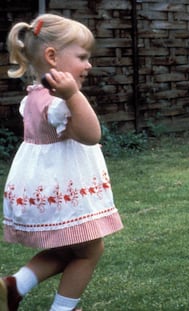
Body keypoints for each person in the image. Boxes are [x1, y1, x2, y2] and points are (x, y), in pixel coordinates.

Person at [0, 13, 123, 311]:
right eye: (82, 56)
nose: (88, 64)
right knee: (89, 251)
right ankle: (63, 309)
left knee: (66, 249)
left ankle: (13, 287)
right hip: (64, 191)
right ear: (52, 56)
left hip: (46, 189)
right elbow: (92, 134)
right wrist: (73, 95)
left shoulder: (32, 98)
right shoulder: (58, 103)